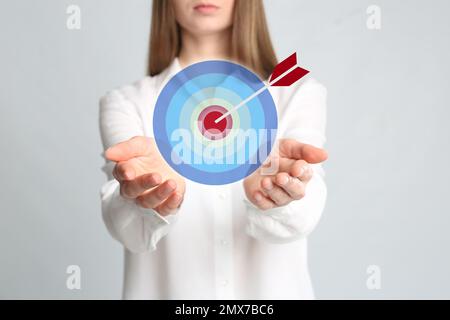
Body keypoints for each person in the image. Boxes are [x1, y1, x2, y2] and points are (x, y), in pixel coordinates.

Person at [99, 0, 328, 299]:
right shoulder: (127, 103)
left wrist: (278, 194)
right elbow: (129, 231)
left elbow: (304, 216)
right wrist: (150, 198)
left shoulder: (296, 94)